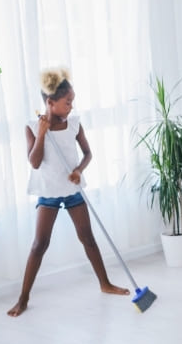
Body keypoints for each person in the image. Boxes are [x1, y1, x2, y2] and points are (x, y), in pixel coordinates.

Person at [7, 67, 129, 317]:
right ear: (50, 103)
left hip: (72, 190)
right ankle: (23, 298)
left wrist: (79, 171)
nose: (71, 107)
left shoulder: (74, 123)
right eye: (67, 102)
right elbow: (34, 162)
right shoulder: (32, 127)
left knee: (87, 237)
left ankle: (105, 284)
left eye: (72, 101)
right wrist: (42, 134)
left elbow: (88, 153)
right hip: (49, 192)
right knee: (40, 244)